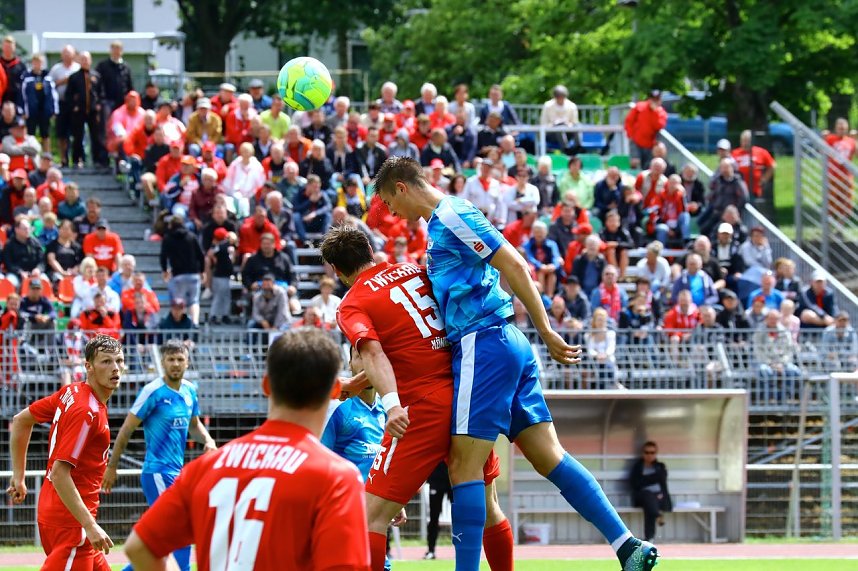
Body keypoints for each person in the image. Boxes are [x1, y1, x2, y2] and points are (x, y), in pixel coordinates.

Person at [373, 157, 658, 571]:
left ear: (401, 187)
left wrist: (545, 328)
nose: (390, 213)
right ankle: (626, 545)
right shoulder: (439, 227)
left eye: (387, 201)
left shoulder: (453, 214)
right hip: (503, 344)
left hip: (483, 344)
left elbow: (513, 263)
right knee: (549, 457)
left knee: (463, 465)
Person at [320, 226, 514, 571]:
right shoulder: (414, 269)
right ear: (370, 247)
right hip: (466, 392)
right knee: (488, 504)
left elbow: (376, 354)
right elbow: (418, 344)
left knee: (369, 517)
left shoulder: (352, 304)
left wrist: (392, 403)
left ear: (336, 271)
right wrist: (357, 382)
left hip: (421, 406)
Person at [124, 329, 371, 571]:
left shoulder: (205, 467)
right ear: (337, 391)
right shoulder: (336, 477)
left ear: (266, 385)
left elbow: (139, 547)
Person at [7, 336, 124, 571]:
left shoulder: (71, 392)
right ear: (88, 366)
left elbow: (21, 421)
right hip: (72, 524)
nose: (115, 368)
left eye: (119, 361)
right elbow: (60, 473)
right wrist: (89, 526)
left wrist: (19, 477)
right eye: (106, 362)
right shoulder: (87, 412)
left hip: (62, 513)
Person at [103, 340, 215, 571]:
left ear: (187, 362)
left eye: (180, 359)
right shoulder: (152, 391)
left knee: (174, 534)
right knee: (182, 529)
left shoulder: (189, 391)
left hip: (176, 474)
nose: (175, 364)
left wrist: (208, 440)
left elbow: (194, 425)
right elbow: (126, 429)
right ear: (162, 362)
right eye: (171, 359)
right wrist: (112, 467)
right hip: (157, 472)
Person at [65, 51, 107, 167]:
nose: (85, 61)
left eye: (87, 59)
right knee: (78, 136)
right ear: (79, 61)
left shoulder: (96, 76)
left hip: (93, 112)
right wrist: (74, 106)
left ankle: (97, 160)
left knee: (96, 136)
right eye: (82, 59)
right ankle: (77, 160)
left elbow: (101, 93)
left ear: (90, 61)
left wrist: (99, 105)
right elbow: (69, 95)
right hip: (79, 111)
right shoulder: (74, 77)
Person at [628, 442, 672, 543]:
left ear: (656, 453)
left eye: (652, 452)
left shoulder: (660, 466)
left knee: (650, 506)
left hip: (659, 498)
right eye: (647, 452)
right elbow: (635, 483)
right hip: (642, 496)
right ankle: (657, 516)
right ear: (643, 453)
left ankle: (649, 538)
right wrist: (653, 478)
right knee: (648, 495)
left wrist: (645, 479)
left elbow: (662, 477)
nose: (649, 455)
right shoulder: (638, 467)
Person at [48, 44, 80, 167]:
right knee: (62, 133)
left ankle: (77, 159)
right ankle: (63, 159)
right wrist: (63, 81)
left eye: (69, 53)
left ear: (73, 55)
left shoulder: (78, 68)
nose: (67, 55)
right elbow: (49, 85)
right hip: (60, 104)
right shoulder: (56, 69)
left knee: (76, 133)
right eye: (65, 53)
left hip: (75, 105)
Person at [624, 90, 667, 169]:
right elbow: (629, 121)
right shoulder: (639, 106)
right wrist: (630, 135)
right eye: (653, 99)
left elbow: (658, 126)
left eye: (657, 99)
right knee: (634, 163)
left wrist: (655, 112)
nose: (654, 102)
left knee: (648, 166)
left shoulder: (661, 112)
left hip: (650, 145)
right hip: (636, 141)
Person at [824, 118, 856, 221]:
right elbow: (822, 151)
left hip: (846, 176)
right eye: (839, 127)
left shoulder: (851, 141)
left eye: (843, 128)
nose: (841, 130)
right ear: (836, 128)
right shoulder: (830, 139)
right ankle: (830, 225)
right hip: (833, 176)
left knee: (845, 202)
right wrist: (823, 137)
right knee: (832, 202)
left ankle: (840, 226)